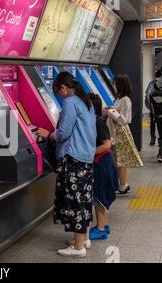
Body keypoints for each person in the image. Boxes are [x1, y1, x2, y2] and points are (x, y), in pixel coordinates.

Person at [37, 72, 96, 258]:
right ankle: (84, 238)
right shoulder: (85, 101)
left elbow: (63, 132)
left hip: (73, 158)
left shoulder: (70, 103)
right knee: (85, 199)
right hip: (85, 157)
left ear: (63, 88)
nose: (60, 96)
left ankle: (78, 248)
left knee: (74, 201)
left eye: (59, 92)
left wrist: (48, 135)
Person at [88, 93, 118, 241]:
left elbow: (106, 144)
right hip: (104, 163)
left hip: (102, 164)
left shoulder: (97, 122)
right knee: (101, 195)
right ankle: (103, 225)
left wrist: (88, 154)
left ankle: (100, 229)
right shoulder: (97, 120)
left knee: (99, 197)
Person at [105, 75, 134, 194]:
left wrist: (110, 111)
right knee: (119, 160)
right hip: (116, 132)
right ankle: (124, 184)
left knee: (120, 160)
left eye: (115, 84)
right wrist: (111, 108)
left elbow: (124, 119)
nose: (114, 87)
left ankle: (122, 186)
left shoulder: (126, 100)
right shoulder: (120, 99)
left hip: (120, 133)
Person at [145, 70, 162, 146]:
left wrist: (150, 107)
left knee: (152, 125)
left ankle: (153, 139)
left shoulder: (151, 83)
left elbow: (147, 96)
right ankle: (161, 140)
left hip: (153, 109)